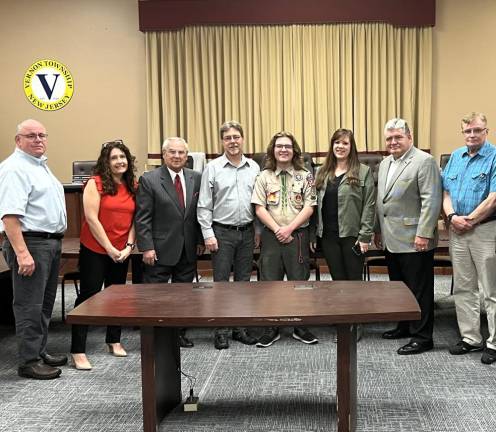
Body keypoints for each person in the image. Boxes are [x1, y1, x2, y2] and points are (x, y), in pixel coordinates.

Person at [0, 119, 67, 379]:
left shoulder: (39, 165)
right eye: (31, 136)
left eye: (42, 135)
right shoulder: (15, 168)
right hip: (31, 244)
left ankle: (38, 351)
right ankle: (28, 361)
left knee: (44, 304)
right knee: (29, 304)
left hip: (48, 242)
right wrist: (22, 252)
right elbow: (9, 217)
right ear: (18, 141)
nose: (38, 139)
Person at [374, 118, 442, 355]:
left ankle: (423, 337)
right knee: (399, 287)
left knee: (419, 288)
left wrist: (423, 234)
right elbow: (381, 201)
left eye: (398, 137)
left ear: (409, 138)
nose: (393, 142)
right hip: (391, 238)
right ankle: (403, 325)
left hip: (415, 239)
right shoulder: (384, 164)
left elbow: (431, 201)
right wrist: (378, 230)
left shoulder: (424, 161)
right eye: (389, 138)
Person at [70, 140, 137, 370]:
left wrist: (128, 246)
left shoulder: (132, 185)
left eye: (123, 157)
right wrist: (109, 248)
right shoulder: (95, 183)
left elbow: (134, 220)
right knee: (89, 296)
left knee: (116, 296)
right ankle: (78, 350)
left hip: (121, 250)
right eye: (114, 158)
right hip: (96, 249)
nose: (120, 161)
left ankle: (114, 340)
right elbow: (91, 218)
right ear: (106, 163)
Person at [135, 137, 204, 348]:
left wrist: (200, 240)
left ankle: (178, 333)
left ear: (187, 156)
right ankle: (154, 334)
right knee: (156, 295)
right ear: (164, 155)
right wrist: (146, 247)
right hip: (159, 249)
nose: (176, 156)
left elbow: (199, 212)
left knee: (183, 294)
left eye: (181, 153)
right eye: (172, 152)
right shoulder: (150, 179)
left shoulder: (196, 178)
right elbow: (142, 217)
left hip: (188, 248)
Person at [251, 131, 318, 347]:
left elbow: (310, 206)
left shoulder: (305, 175)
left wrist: (289, 228)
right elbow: (259, 207)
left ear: (294, 150)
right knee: (270, 282)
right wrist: (278, 229)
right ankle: (272, 328)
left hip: (297, 235)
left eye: (287, 146)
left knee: (299, 282)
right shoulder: (264, 176)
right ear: (273, 150)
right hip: (272, 237)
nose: (283, 150)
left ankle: (300, 326)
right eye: (279, 146)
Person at [197, 120, 260, 349]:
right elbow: (204, 205)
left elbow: (259, 202)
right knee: (221, 284)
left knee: (243, 283)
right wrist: (208, 234)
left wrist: (258, 231)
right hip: (221, 233)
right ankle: (221, 330)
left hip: (247, 232)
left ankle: (239, 328)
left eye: (236, 137)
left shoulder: (254, 167)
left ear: (242, 139)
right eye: (227, 138)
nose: (232, 141)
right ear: (222, 141)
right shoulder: (212, 168)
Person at [442, 112, 496, 365]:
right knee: (464, 288)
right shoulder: (454, 157)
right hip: (457, 229)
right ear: (462, 132)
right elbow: (445, 192)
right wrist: (453, 216)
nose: (472, 135)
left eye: (477, 130)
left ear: (486, 131)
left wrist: (470, 220)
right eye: (467, 131)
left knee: (491, 289)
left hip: (484, 230)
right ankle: (471, 338)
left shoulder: (494, 156)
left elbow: (493, 197)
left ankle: (494, 342)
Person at [312, 129, 375, 341]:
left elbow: (369, 205)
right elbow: (314, 206)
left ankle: (355, 324)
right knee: (338, 281)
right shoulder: (322, 172)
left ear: (351, 147)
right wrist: (315, 234)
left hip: (352, 235)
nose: (340, 146)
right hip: (328, 236)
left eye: (345, 143)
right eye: (336, 142)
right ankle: (343, 321)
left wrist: (365, 235)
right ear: (332, 146)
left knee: (353, 281)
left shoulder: (363, 171)